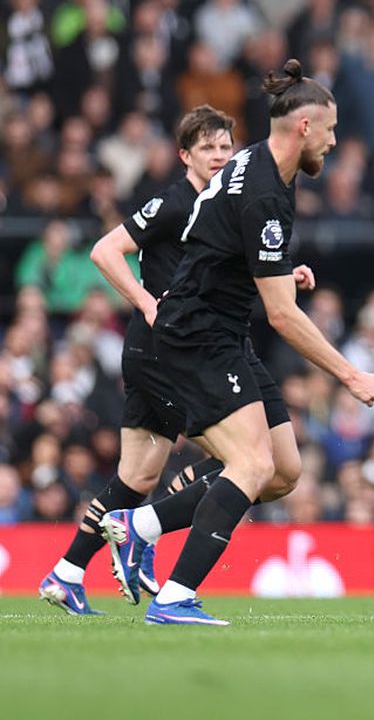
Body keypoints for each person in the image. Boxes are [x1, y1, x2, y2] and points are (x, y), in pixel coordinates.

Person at [99, 60, 374, 626]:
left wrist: (283, 269)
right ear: (304, 127)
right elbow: (282, 317)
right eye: (330, 132)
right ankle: (174, 596)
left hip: (224, 330)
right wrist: (351, 375)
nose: (333, 144)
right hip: (196, 335)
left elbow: (225, 249)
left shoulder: (253, 166)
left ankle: (141, 526)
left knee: (284, 471)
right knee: (252, 463)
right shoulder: (264, 192)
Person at [39, 105, 252, 615]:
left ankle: (66, 573)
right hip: (162, 351)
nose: (220, 156)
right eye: (208, 148)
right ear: (185, 155)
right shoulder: (176, 203)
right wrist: (145, 299)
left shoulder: (221, 206)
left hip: (156, 351)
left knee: (134, 479)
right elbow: (105, 250)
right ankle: (144, 531)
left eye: (226, 147)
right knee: (245, 456)